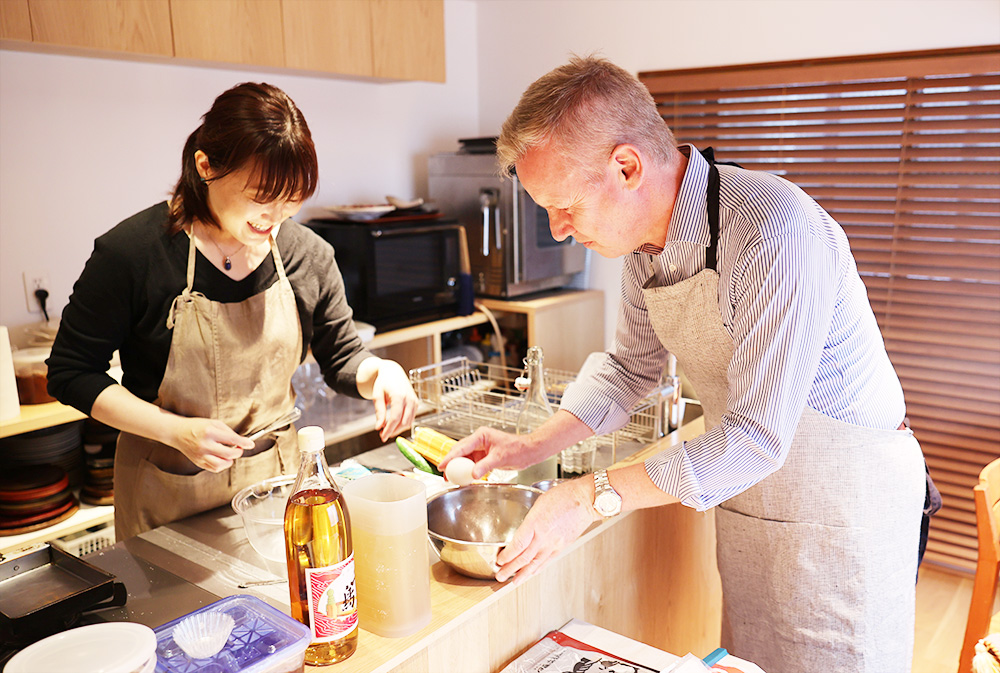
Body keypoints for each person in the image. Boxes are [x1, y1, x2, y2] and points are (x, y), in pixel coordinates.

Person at [440, 57, 925, 673]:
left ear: (626, 167)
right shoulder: (644, 247)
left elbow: (756, 437)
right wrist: (528, 447)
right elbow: (630, 369)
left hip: (842, 503)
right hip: (754, 495)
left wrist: (590, 496)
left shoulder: (773, 233)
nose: (558, 231)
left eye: (564, 206)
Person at [47, 82, 418, 540]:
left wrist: (382, 373)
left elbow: (342, 356)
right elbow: (71, 372)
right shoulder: (133, 254)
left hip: (277, 489)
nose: (274, 218)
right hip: (166, 490)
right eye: (262, 196)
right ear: (206, 167)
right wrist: (175, 430)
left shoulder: (307, 255)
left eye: (291, 200)